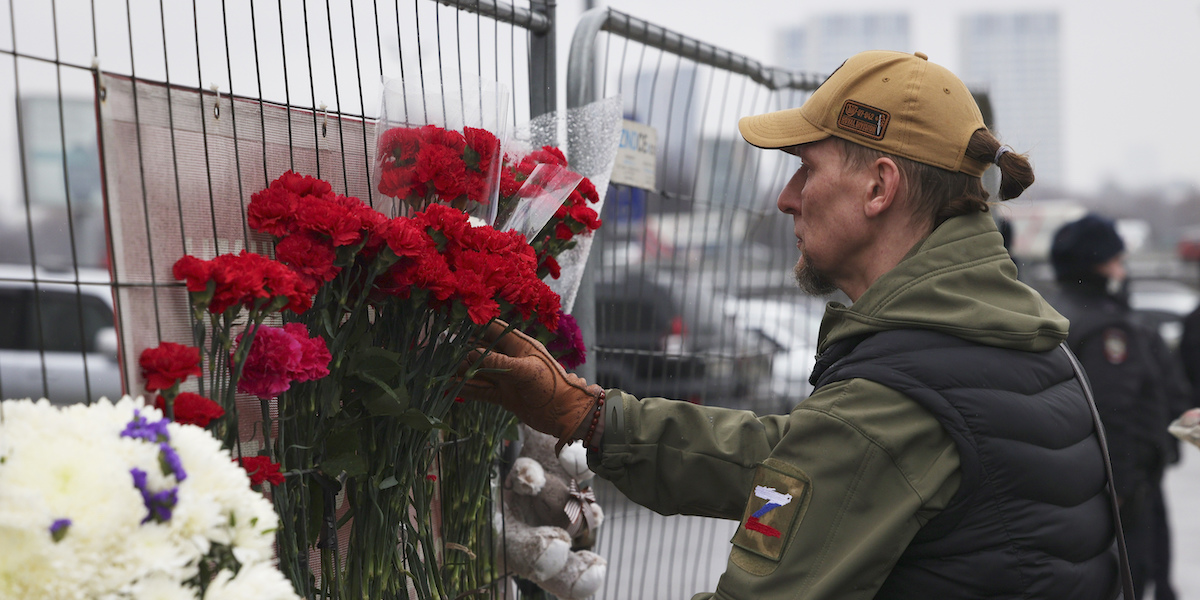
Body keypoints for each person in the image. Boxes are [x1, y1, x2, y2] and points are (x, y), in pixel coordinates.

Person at [461, 50, 1120, 599]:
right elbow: (800, 460)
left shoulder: (889, 405)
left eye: (808, 168)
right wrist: (590, 416)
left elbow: (837, 454)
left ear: (878, 188)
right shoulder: (1024, 349)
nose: (786, 197)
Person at [1042, 214, 1184, 600]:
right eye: (1118, 260)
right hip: (1123, 492)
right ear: (1098, 264)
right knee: (1132, 578)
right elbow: (1114, 412)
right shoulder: (1108, 327)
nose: (1124, 270)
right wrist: (1121, 490)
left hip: (1082, 487)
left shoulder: (1054, 311)